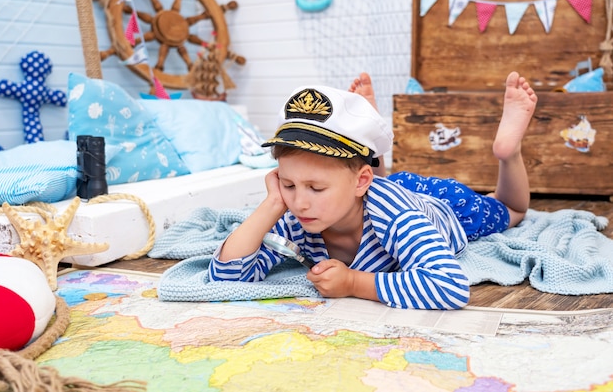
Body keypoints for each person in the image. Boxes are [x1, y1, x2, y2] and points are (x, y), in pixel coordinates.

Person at [208, 72, 537, 310]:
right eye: (289, 184)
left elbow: (449, 287)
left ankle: (508, 153)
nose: (300, 201)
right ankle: (372, 149)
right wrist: (271, 204)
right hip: (374, 189)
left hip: (437, 204)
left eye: (316, 187)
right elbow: (226, 278)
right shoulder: (296, 213)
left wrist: (353, 283)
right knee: (370, 187)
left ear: (361, 182)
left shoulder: (397, 217)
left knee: (510, 209)